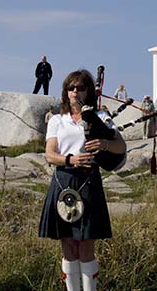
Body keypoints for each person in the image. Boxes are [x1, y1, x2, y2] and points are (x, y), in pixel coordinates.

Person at [39, 69, 126, 291]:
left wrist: (104, 144)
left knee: (86, 245)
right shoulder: (58, 120)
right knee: (68, 244)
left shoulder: (101, 118)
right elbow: (50, 154)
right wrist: (71, 159)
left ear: (88, 91)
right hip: (63, 180)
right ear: (65, 92)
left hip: (89, 180)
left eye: (80, 87)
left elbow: (120, 147)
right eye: (71, 87)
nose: (75, 91)